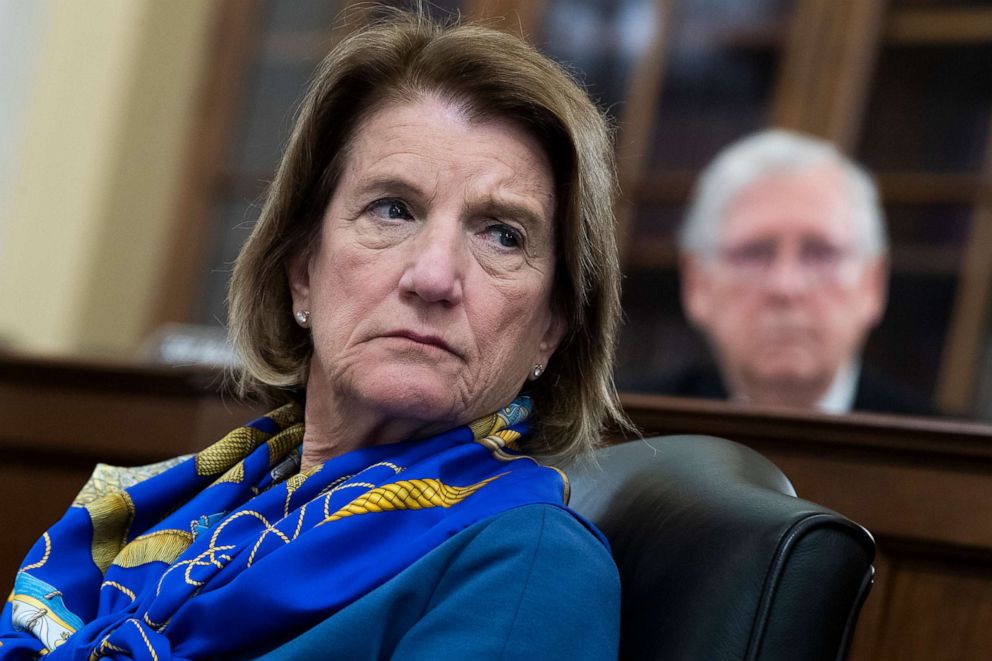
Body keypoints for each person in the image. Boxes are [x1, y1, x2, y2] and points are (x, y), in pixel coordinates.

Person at [1, 10, 629, 659]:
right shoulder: (174, 514)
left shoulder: (530, 563)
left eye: (503, 234)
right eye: (393, 208)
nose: (434, 275)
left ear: (552, 330)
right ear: (302, 273)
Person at [656, 129, 931, 414]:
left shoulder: (945, 448)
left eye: (820, 254)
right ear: (697, 284)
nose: (785, 286)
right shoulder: (629, 437)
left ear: (872, 284)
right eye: (754, 254)